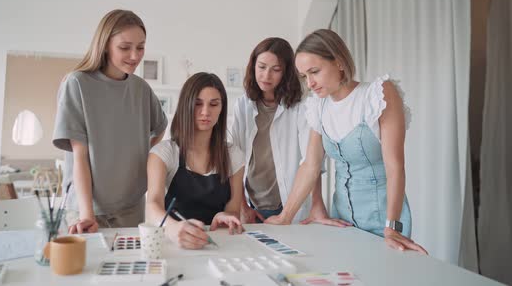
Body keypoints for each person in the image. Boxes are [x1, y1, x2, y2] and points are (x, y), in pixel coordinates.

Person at [265, 29, 427, 254]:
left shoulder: (377, 95)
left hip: (384, 221)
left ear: (339, 62)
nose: (309, 83)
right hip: (342, 220)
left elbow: (395, 167)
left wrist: (392, 226)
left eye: (314, 72)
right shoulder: (318, 107)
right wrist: (285, 217)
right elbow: (310, 166)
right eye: (304, 76)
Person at [53, 9, 167, 233]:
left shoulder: (141, 89)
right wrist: (87, 214)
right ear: (105, 44)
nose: (135, 56)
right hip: (88, 209)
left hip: (131, 207)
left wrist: (141, 162)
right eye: (125, 47)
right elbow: (80, 156)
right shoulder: (77, 84)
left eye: (141, 47)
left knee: (132, 266)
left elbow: (160, 128)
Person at [232, 37, 348, 227]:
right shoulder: (243, 105)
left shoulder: (302, 106)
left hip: (290, 204)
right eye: (261, 67)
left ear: (287, 73)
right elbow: (235, 160)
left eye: (276, 70)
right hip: (251, 203)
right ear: (253, 66)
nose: (266, 75)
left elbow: (311, 161)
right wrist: (242, 207)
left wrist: (317, 204)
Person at [146, 72, 245, 249]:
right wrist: (172, 227)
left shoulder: (234, 155)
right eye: (198, 104)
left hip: (218, 243)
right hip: (174, 243)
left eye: (214, 104)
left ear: (222, 109)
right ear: (186, 106)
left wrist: (225, 216)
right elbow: (152, 205)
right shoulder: (163, 153)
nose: (206, 112)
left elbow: (233, 207)